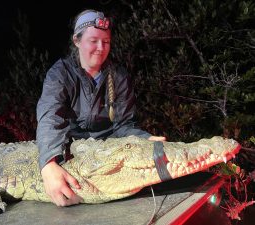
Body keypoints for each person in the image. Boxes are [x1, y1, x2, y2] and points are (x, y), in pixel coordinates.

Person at [36, 9, 166, 207]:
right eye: (93, 40)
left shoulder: (119, 76)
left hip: (108, 156)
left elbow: (124, 125)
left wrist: (143, 138)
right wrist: (48, 164)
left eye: (106, 42)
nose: (100, 47)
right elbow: (49, 118)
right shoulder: (60, 73)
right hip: (73, 154)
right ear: (77, 41)